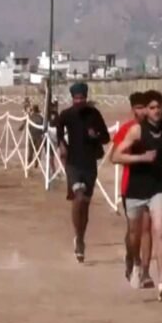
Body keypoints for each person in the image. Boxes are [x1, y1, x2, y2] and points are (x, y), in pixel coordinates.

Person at [111, 90, 162, 301]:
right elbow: (115, 156)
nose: (156, 111)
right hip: (135, 189)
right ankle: (134, 262)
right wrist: (142, 158)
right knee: (134, 234)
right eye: (151, 107)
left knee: (160, 232)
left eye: (158, 107)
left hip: (157, 187)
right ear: (146, 111)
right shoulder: (136, 131)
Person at [55, 82, 110, 263]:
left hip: (89, 164)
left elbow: (106, 137)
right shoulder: (67, 114)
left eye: (82, 98)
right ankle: (78, 239)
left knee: (85, 204)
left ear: (86, 98)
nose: (79, 101)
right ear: (72, 98)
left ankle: (81, 237)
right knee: (78, 198)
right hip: (73, 163)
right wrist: (62, 144)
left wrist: (96, 136)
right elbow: (58, 129)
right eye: (76, 98)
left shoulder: (94, 114)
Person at [112, 92, 153, 286]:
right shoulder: (126, 130)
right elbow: (116, 156)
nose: (142, 111)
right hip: (130, 185)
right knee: (133, 230)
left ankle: (145, 271)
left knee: (147, 228)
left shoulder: (156, 129)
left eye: (145, 107)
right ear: (132, 109)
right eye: (138, 107)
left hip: (152, 185)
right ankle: (133, 258)